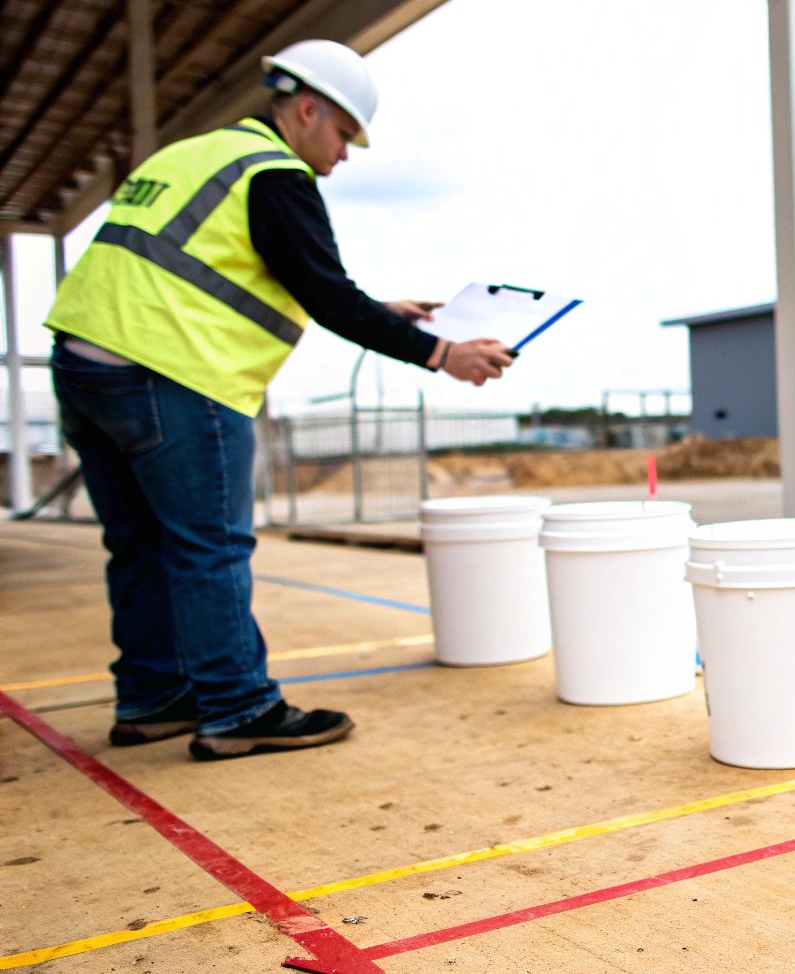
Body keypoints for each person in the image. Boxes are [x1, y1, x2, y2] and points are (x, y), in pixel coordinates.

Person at [43, 40, 517, 760]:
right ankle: (237, 709)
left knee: (136, 545)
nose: (346, 155)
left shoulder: (188, 157)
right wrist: (443, 354)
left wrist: (386, 310)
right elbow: (326, 295)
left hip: (84, 368)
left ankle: (151, 697)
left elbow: (226, 268)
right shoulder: (276, 174)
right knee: (210, 549)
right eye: (345, 135)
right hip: (174, 373)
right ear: (307, 110)